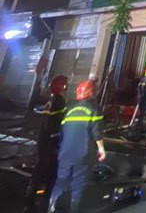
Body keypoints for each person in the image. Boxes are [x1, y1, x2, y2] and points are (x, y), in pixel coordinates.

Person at [48, 80, 105, 213]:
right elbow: (97, 132)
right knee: (78, 183)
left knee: (61, 181)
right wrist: (101, 149)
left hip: (65, 152)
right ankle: (73, 209)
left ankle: (51, 208)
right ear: (92, 93)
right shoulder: (94, 108)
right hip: (82, 153)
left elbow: (62, 131)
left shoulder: (69, 108)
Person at [23, 76, 68, 213]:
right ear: (62, 87)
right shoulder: (58, 101)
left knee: (40, 169)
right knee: (49, 173)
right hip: (50, 143)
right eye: (65, 85)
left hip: (44, 141)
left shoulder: (52, 100)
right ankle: (43, 203)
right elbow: (55, 124)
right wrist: (57, 140)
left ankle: (30, 200)